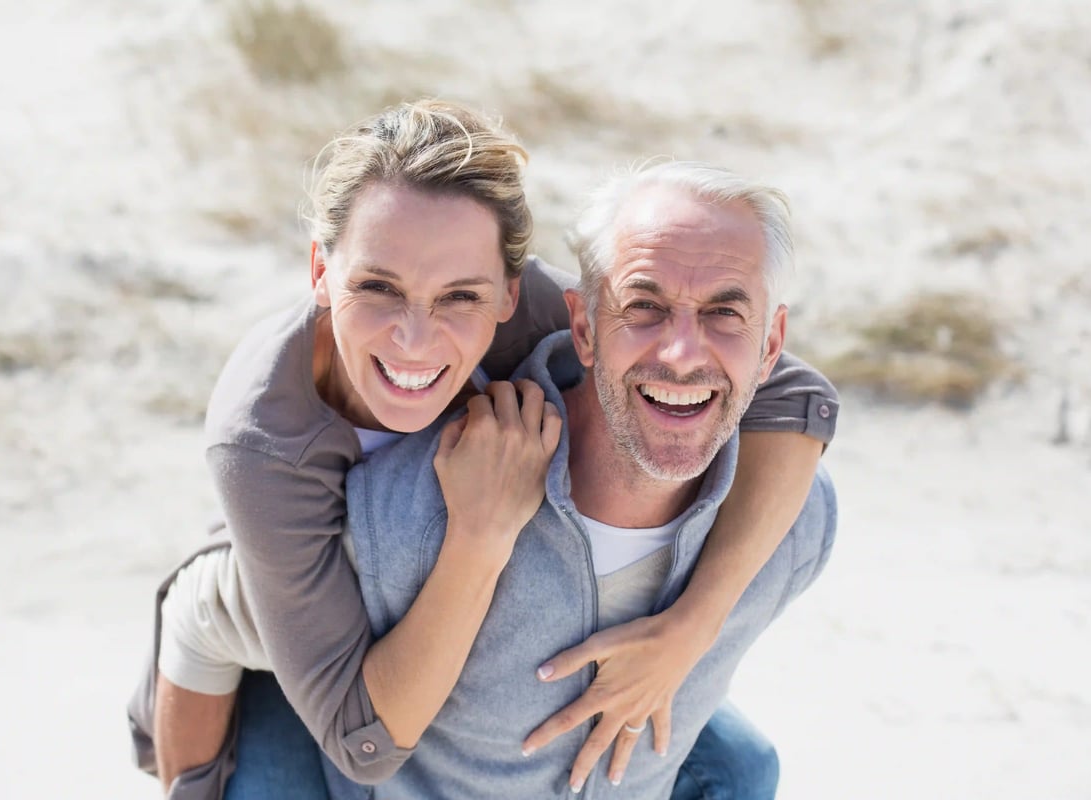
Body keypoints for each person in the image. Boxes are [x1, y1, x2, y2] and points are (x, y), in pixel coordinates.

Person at [126, 101, 838, 799]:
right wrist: (480, 533)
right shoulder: (265, 440)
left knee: (742, 766)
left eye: (460, 297)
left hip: (453, 585)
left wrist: (691, 628)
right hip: (277, 606)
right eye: (377, 286)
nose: (415, 336)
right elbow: (361, 738)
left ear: (508, 290)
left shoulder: (547, 309)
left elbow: (789, 396)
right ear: (320, 271)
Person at [319, 161, 837, 798]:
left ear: (771, 344)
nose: (681, 353)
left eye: (724, 313)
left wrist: (695, 623)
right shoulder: (407, 513)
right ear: (586, 328)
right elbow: (233, 630)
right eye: (644, 306)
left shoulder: (793, 528)